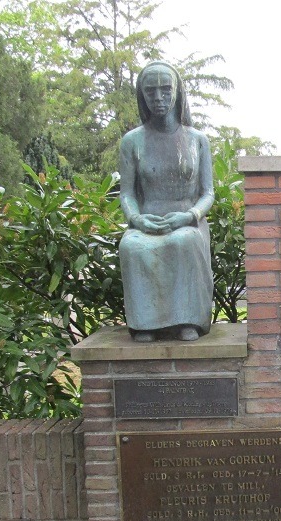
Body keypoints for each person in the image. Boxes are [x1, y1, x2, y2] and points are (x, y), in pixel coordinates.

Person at [118, 61, 215, 342]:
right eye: (150, 91)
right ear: (142, 95)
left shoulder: (197, 140)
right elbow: (127, 194)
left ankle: (189, 321)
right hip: (147, 222)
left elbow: (207, 193)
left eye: (165, 89)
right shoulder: (132, 141)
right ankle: (145, 323)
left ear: (177, 92)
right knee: (131, 245)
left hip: (187, 220)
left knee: (185, 241)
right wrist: (137, 220)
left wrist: (190, 216)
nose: (158, 98)